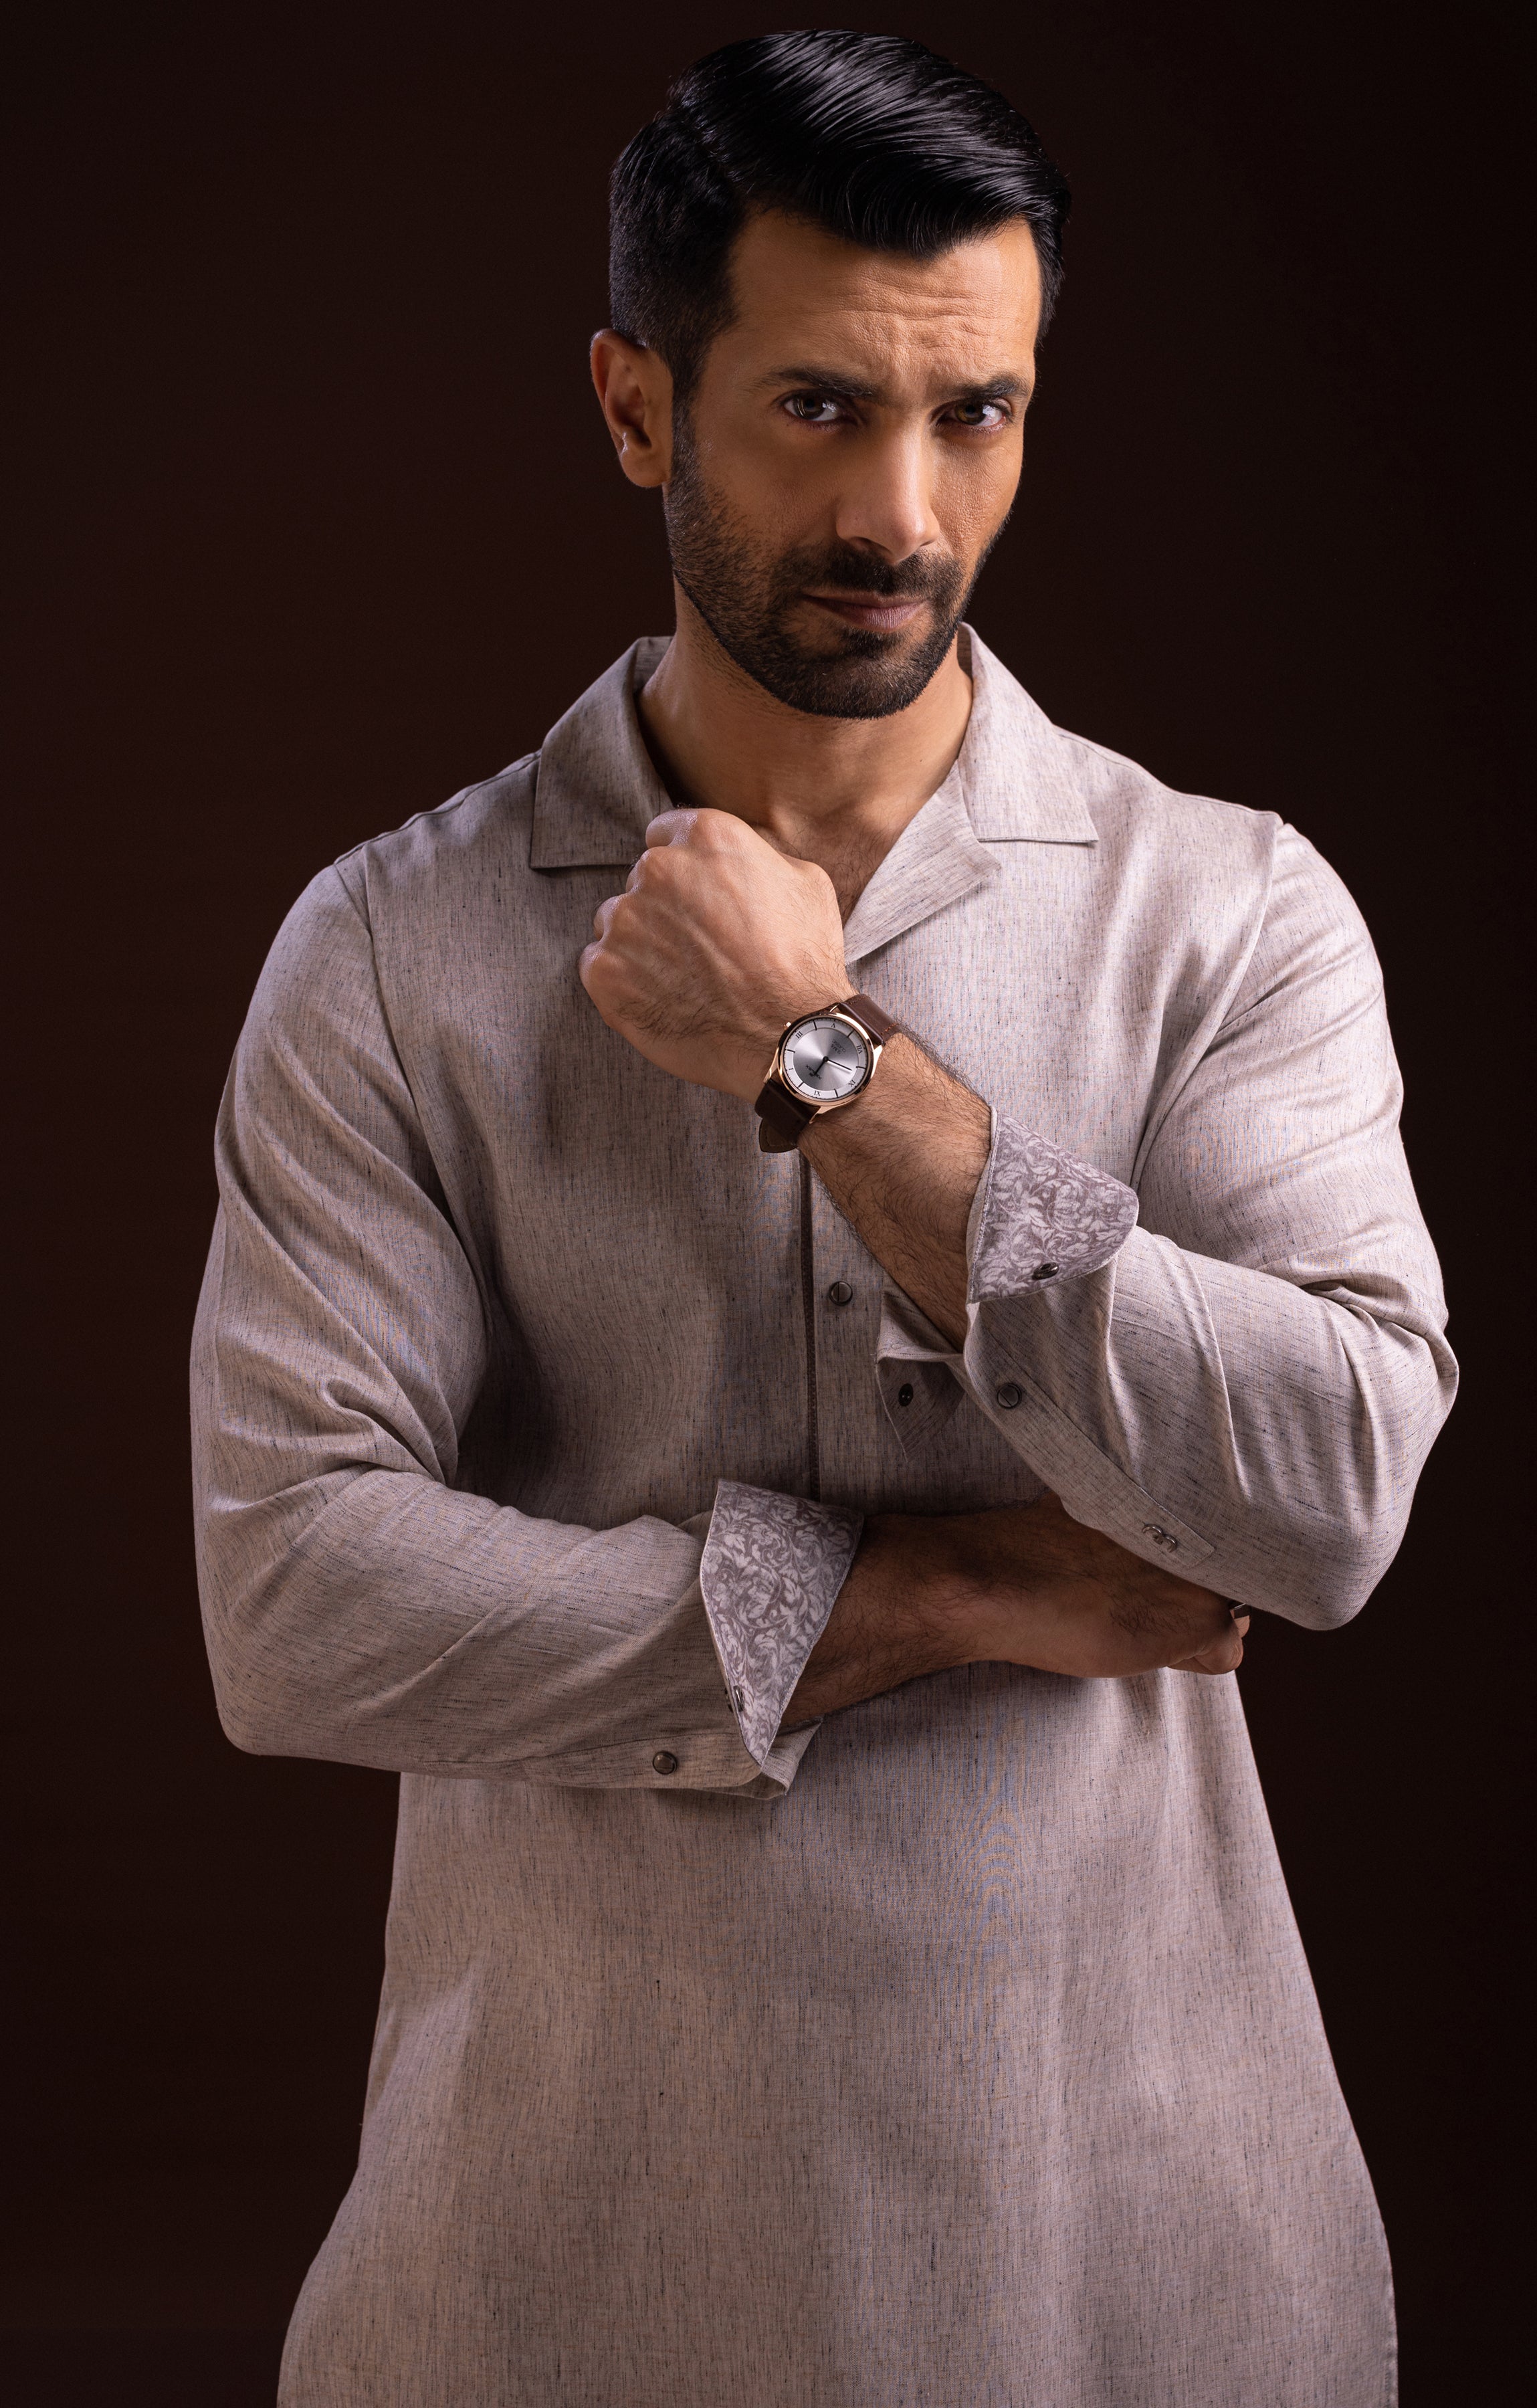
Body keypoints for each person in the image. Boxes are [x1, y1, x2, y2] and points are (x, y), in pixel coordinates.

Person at [191, 30, 1455, 2405]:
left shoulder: (1232, 914)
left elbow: (1328, 1496)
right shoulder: (388, 952)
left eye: (976, 414)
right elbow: (291, 1600)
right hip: (561, 2268)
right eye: (815, 410)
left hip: (1138, 2258)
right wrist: (929, 1594)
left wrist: (827, 1059)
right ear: (636, 408)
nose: (902, 507)